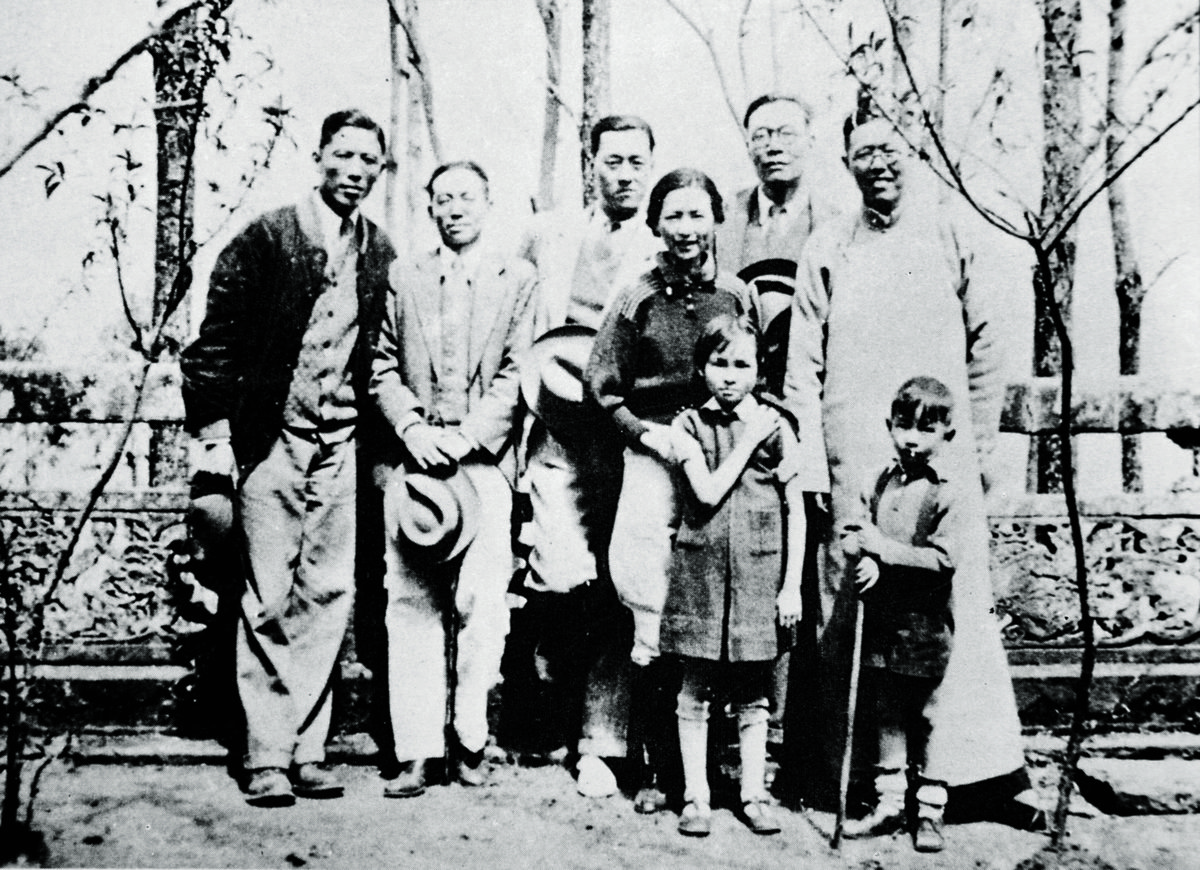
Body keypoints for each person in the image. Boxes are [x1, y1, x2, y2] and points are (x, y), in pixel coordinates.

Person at [783, 98, 1041, 826]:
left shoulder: (955, 230)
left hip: (943, 462)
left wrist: (980, 447)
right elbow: (803, 365)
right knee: (852, 607)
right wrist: (810, 459)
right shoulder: (830, 244)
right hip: (856, 461)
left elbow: (990, 343)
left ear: (916, 153)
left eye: (892, 148)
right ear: (847, 164)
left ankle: (971, 777)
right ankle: (864, 778)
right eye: (865, 151)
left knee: (951, 606)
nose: (881, 162)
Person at [179, 109, 395, 807]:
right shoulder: (267, 237)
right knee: (267, 593)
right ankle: (265, 752)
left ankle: (307, 746)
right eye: (344, 155)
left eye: (369, 160)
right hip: (271, 440)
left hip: (341, 444)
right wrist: (214, 437)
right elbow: (214, 343)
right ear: (319, 155)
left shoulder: (379, 250)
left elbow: (382, 355)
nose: (355, 171)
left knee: (327, 593)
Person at [586, 168, 757, 813]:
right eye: (674, 217)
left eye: (698, 216)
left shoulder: (736, 294)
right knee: (651, 610)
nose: (686, 230)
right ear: (657, 224)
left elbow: (753, 368)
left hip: (716, 457)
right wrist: (646, 435)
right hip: (656, 456)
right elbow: (602, 386)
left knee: (712, 605)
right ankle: (659, 770)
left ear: (715, 220)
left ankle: (708, 775)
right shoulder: (636, 298)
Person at [371, 160, 538, 798]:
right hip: (417, 464)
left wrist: (469, 437)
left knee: (482, 604)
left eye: (467, 196)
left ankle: (469, 736)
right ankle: (417, 750)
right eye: (443, 199)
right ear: (431, 208)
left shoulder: (518, 278)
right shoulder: (404, 275)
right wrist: (414, 430)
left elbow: (521, 368)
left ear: (488, 202)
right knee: (410, 602)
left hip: (484, 464)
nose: (455, 208)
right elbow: (382, 365)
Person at [511, 115, 662, 797]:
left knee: (618, 584)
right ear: (590, 164)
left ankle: (600, 744)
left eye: (636, 161)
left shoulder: (665, 246)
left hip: (625, 438)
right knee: (561, 571)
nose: (623, 173)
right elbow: (515, 316)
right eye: (611, 161)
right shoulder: (549, 234)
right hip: (553, 431)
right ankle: (546, 702)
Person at [716, 93, 835, 761]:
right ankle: (724, 737)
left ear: (810, 138)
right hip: (731, 411)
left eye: (787, 132)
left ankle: (791, 738)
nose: (774, 145)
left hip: (803, 415)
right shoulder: (725, 218)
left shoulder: (837, 220)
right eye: (761, 133)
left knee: (797, 570)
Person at [663, 314, 805, 838]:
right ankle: (696, 797)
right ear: (702, 368)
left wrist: (790, 585)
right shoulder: (688, 427)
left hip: (758, 576)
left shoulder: (778, 424)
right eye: (718, 363)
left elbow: (796, 507)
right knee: (694, 690)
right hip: (700, 573)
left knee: (753, 693)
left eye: (741, 364)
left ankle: (753, 793)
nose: (728, 375)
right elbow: (704, 492)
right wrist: (746, 443)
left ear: (757, 371)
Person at [841, 377, 963, 852]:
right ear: (889, 426)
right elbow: (857, 531)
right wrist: (862, 552)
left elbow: (942, 559)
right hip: (883, 618)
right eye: (902, 425)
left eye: (925, 429)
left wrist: (884, 551)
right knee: (886, 707)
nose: (911, 437)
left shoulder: (946, 492)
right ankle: (889, 802)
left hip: (926, 622)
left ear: (945, 435)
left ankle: (930, 809)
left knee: (928, 713)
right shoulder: (881, 480)